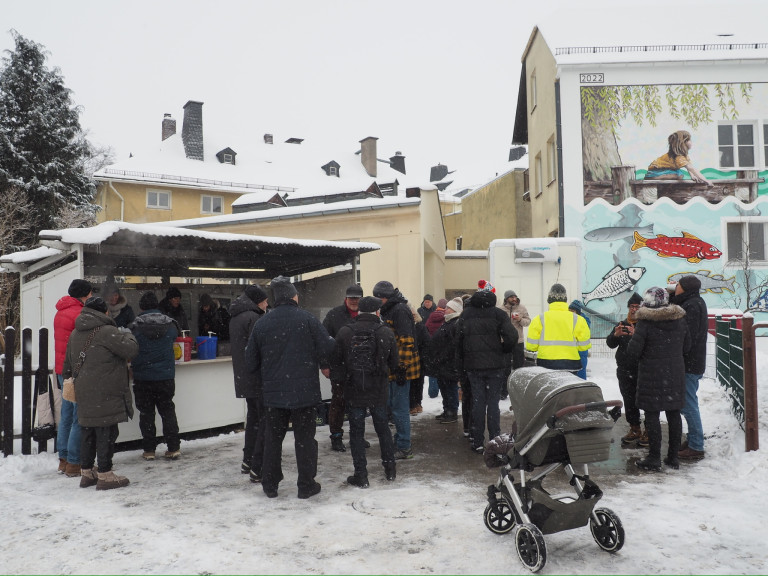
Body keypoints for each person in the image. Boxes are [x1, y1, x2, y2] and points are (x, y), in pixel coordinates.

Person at [246, 276, 335, 499]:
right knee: (305, 440)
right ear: (293, 295)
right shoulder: (307, 319)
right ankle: (306, 485)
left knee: (273, 440)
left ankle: (270, 485)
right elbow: (328, 348)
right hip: (304, 395)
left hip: (273, 396)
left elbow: (250, 362)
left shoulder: (262, 323)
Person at [63, 296, 138, 490]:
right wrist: (128, 334)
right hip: (106, 391)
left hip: (85, 392)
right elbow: (131, 349)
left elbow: (67, 367)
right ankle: (105, 474)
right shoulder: (107, 332)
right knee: (106, 431)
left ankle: (87, 472)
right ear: (104, 312)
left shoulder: (74, 333)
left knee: (88, 431)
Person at [332, 296, 399, 487]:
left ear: (359, 311)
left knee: (356, 432)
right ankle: (390, 469)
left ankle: (361, 475)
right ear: (378, 312)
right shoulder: (386, 332)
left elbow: (336, 362)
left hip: (354, 389)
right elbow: (394, 363)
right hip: (378, 390)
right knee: (383, 429)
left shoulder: (345, 332)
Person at [627, 287, 691, 471]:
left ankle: (654, 458)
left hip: (651, 375)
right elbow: (687, 347)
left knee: (652, 415)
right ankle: (672, 458)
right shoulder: (680, 320)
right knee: (674, 414)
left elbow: (633, 352)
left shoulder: (645, 324)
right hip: (675, 373)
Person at [456, 280, 517, 454]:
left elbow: (458, 342)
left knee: (477, 402)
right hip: (495, 366)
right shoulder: (498, 314)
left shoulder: (466, 315)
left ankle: (477, 440)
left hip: (473, 367)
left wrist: (462, 362)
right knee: (493, 403)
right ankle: (495, 439)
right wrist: (503, 350)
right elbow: (511, 337)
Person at [129, 292, 182, 461]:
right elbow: (176, 337)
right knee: (168, 411)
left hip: (143, 377)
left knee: (146, 414)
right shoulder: (171, 325)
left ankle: (149, 450)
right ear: (157, 306)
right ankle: (173, 447)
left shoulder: (134, 327)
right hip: (165, 377)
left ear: (142, 307)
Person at [372, 280, 420, 460]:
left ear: (384, 297)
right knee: (394, 407)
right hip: (394, 367)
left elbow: (407, 341)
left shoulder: (399, 310)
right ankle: (400, 440)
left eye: (378, 298)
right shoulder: (389, 309)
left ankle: (404, 447)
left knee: (400, 409)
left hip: (401, 368)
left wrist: (401, 367)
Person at [229, 284, 269, 481]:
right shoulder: (253, 318)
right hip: (257, 377)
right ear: (257, 301)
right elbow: (261, 349)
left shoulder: (236, 316)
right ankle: (257, 465)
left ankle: (247, 459)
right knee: (263, 421)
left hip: (245, 377)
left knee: (253, 420)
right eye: (264, 301)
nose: (267, 304)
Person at [53, 278, 92, 477]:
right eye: (90, 293)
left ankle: (64, 458)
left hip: (62, 370)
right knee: (78, 416)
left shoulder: (60, 312)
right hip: (76, 371)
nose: (92, 296)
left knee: (67, 414)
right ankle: (75, 463)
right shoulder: (80, 314)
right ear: (84, 295)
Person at [321, 284, 363, 452]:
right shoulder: (334, 315)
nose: (354, 301)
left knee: (358, 404)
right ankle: (336, 436)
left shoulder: (365, 314)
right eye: (351, 298)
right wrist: (323, 364)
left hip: (360, 369)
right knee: (338, 403)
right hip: (339, 367)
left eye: (357, 298)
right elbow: (322, 340)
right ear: (346, 298)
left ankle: (356, 436)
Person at [672, 275, 709, 461]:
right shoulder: (693, 302)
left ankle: (696, 446)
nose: (675, 287)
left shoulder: (692, 305)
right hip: (691, 361)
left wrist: (678, 353)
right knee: (687, 403)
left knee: (688, 404)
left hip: (690, 362)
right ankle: (693, 440)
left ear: (685, 288)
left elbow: (687, 336)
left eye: (677, 285)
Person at [606, 292, 646, 447]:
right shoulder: (621, 323)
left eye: (637, 306)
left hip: (642, 370)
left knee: (645, 401)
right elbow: (610, 344)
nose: (634, 309)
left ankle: (648, 431)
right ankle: (634, 428)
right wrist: (615, 335)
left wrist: (636, 335)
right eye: (632, 306)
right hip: (624, 370)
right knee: (629, 401)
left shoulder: (645, 325)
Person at [526, 283, 591, 374]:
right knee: (568, 388)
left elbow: (531, 346)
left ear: (549, 300)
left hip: (546, 363)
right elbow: (584, 346)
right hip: (570, 363)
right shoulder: (578, 319)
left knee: (549, 388)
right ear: (565, 300)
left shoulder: (539, 319)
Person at [428, 297, 462, 424]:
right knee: (444, 387)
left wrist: (442, 356)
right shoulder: (448, 322)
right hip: (442, 363)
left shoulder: (455, 323)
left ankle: (452, 412)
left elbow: (453, 345)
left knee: (450, 388)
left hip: (449, 363)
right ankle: (447, 409)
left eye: (448, 308)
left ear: (454, 310)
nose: (445, 309)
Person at [645, 130, 712, 186]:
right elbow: (691, 168)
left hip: (662, 170)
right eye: (689, 140)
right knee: (679, 175)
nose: (691, 142)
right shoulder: (678, 157)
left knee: (680, 174)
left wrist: (692, 175)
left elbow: (689, 166)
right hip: (654, 172)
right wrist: (706, 180)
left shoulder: (683, 155)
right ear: (683, 143)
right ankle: (654, 178)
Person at [502, 290, 530, 399]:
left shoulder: (521, 308)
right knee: (505, 367)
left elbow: (528, 321)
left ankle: (518, 391)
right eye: (511, 297)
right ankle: (503, 392)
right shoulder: (501, 309)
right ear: (506, 298)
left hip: (518, 341)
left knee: (519, 367)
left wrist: (520, 319)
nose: (514, 299)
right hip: (505, 341)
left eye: (515, 297)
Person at [408, 303, 430, 416]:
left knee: (418, 383)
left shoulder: (420, 326)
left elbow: (426, 342)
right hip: (412, 358)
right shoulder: (408, 326)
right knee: (413, 383)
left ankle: (417, 403)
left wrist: (423, 356)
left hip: (419, 358)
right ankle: (413, 404)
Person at [424, 298, 447, 399]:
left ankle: (433, 391)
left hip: (432, 346)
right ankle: (445, 389)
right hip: (444, 346)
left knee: (433, 369)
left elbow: (426, 328)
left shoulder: (431, 315)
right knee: (444, 369)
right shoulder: (446, 317)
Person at [568, 300, 592, 379]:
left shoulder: (583, 320)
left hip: (581, 351)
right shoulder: (569, 319)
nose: (571, 312)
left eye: (573, 310)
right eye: (569, 310)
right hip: (572, 351)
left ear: (577, 311)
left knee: (581, 372)